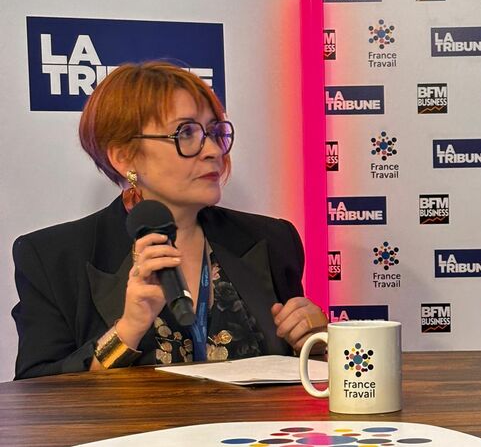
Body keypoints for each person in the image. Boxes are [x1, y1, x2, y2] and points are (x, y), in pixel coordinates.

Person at [12, 61, 327, 379]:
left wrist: (315, 344)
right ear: (123, 157)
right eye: (186, 133)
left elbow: (298, 373)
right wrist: (127, 330)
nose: (213, 150)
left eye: (215, 132)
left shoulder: (272, 240)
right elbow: (36, 390)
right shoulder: (53, 257)